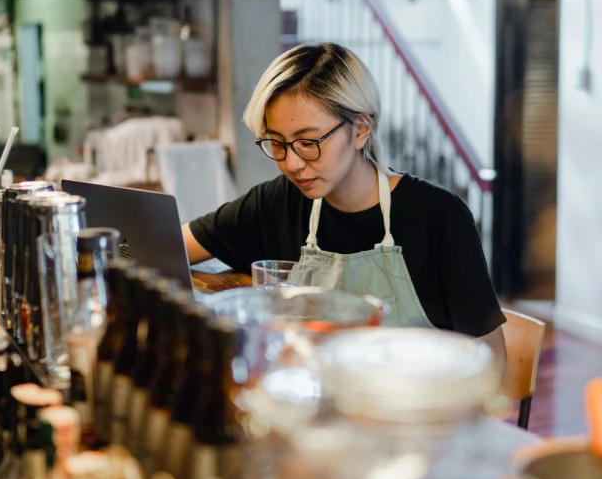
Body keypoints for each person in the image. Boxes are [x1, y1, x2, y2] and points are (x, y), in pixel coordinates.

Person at [183, 43, 506, 348]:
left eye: (308, 142)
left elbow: (491, 363)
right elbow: (166, 244)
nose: (292, 164)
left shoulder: (437, 216)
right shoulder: (277, 202)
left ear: (361, 129)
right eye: (277, 143)